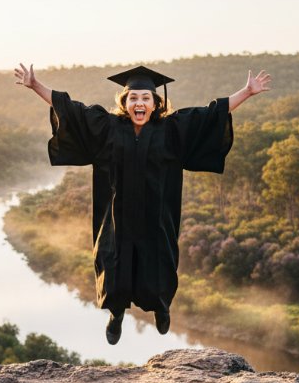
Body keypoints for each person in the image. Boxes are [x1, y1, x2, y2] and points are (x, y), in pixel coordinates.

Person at [14, 63, 271, 344]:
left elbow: (210, 115)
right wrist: (35, 85)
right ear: (124, 102)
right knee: (113, 267)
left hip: (156, 218)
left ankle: (161, 308)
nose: (139, 103)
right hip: (117, 218)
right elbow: (72, 111)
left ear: (155, 103)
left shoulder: (171, 130)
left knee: (159, 265)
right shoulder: (108, 128)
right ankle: (116, 314)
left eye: (145, 98)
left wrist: (246, 92)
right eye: (133, 98)